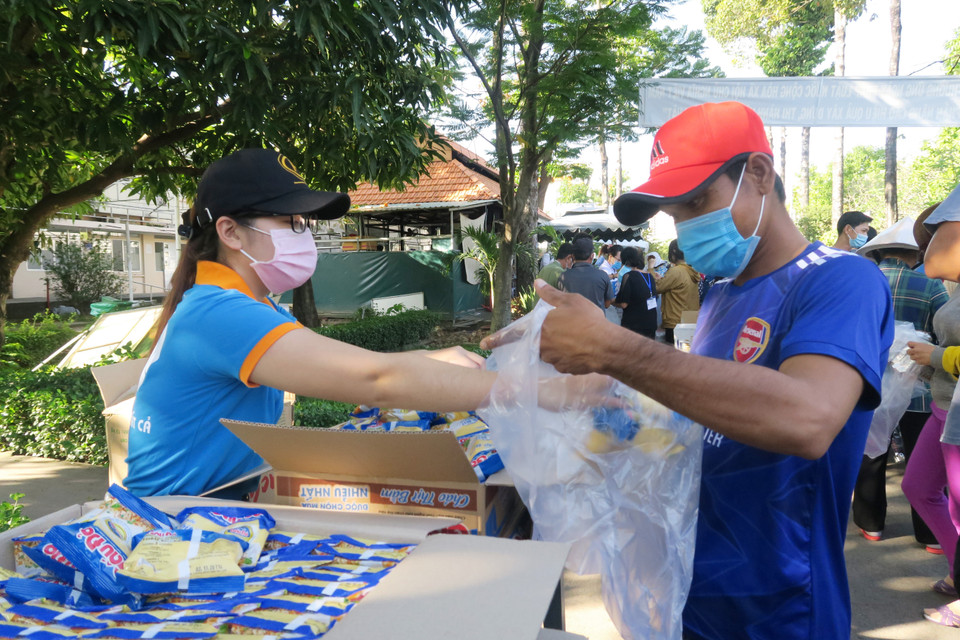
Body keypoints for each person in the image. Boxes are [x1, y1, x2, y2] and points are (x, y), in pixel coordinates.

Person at [484, 101, 893, 640]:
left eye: (697, 201)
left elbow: (808, 418)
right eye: (675, 214)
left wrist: (617, 351)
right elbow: (699, 416)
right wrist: (605, 405)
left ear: (759, 174)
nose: (687, 226)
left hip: (779, 604)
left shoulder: (840, 281)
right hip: (689, 584)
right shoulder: (722, 295)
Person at [124, 149, 495, 498]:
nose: (305, 233)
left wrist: (431, 357)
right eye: (290, 222)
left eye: (303, 222)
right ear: (231, 232)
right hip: (167, 520)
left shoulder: (255, 306)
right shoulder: (221, 314)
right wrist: (535, 391)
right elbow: (374, 380)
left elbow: (341, 362)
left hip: (220, 504)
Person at [850, 218, 947, 550]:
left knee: (872, 451)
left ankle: (871, 523)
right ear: (912, 253)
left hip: (870, 382)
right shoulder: (930, 286)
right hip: (918, 384)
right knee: (923, 455)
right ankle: (931, 535)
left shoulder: (862, 283)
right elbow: (944, 332)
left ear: (881, 252)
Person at [655, 239, 699, 345]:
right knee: (686, 354)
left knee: (676, 356)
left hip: (676, 320)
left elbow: (657, 287)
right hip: (690, 317)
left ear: (674, 252)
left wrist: (652, 272)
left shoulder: (676, 271)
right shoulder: (691, 270)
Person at [557, 236, 614, 311]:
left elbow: (560, 302)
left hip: (571, 321)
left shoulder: (563, 276)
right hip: (595, 321)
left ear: (573, 256)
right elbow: (607, 304)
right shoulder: (602, 276)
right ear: (592, 256)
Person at [614, 246, 657, 339]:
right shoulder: (650, 276)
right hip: (651, 323)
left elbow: (624, 304)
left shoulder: (628, 276)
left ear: (626, 260)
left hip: (634, 326)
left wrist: (611, 301)